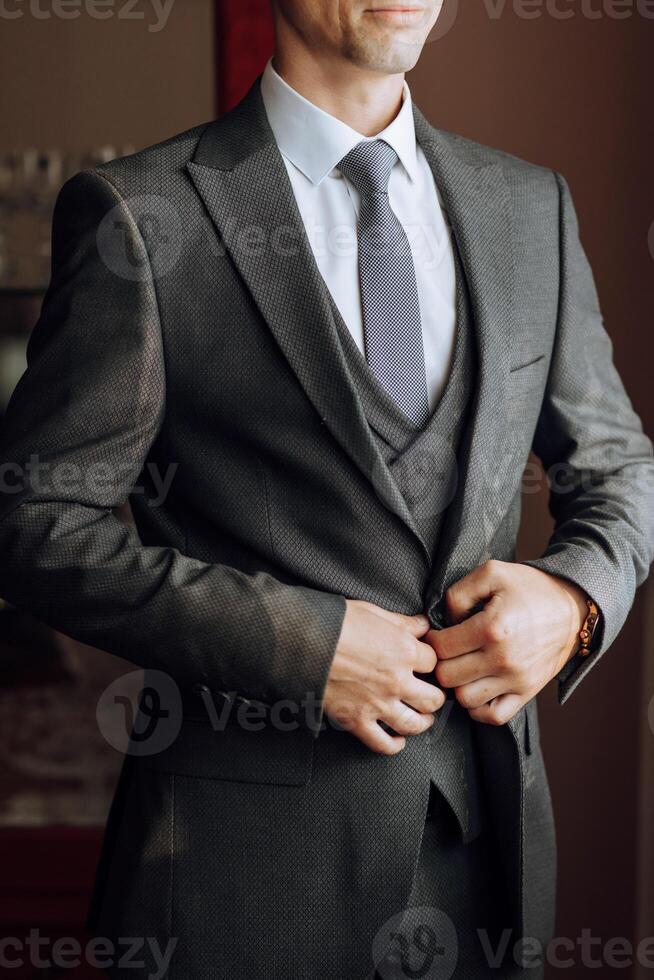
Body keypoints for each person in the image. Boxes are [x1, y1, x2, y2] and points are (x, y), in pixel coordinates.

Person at [1, 1, 653, 977]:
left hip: (490, 851)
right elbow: (35, 520)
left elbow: (620, 467)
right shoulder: (143, 214)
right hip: (237, 874)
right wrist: (302, 647)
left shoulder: (529, 206)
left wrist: (573, 599)